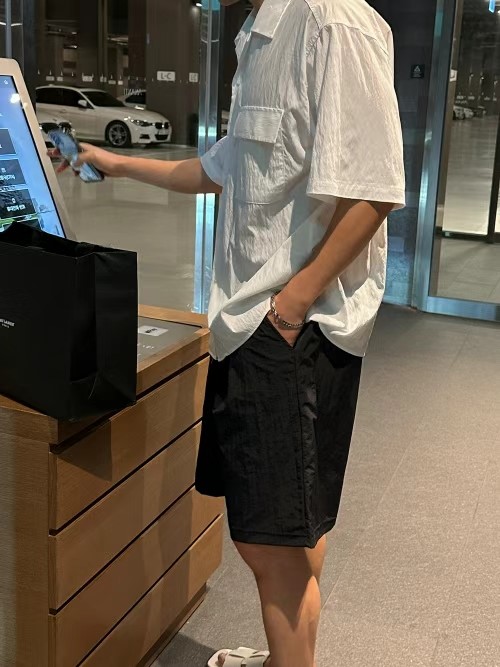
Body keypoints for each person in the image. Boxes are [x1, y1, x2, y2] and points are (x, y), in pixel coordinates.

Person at [58, 1, 405, 665]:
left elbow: (375, 189)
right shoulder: (260, 32)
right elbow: (222, 169)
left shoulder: (333, 20)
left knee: (271, 544)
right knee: (291, 535)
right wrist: (116, 163)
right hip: (258, 325)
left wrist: (291, 304)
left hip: (291, 331)